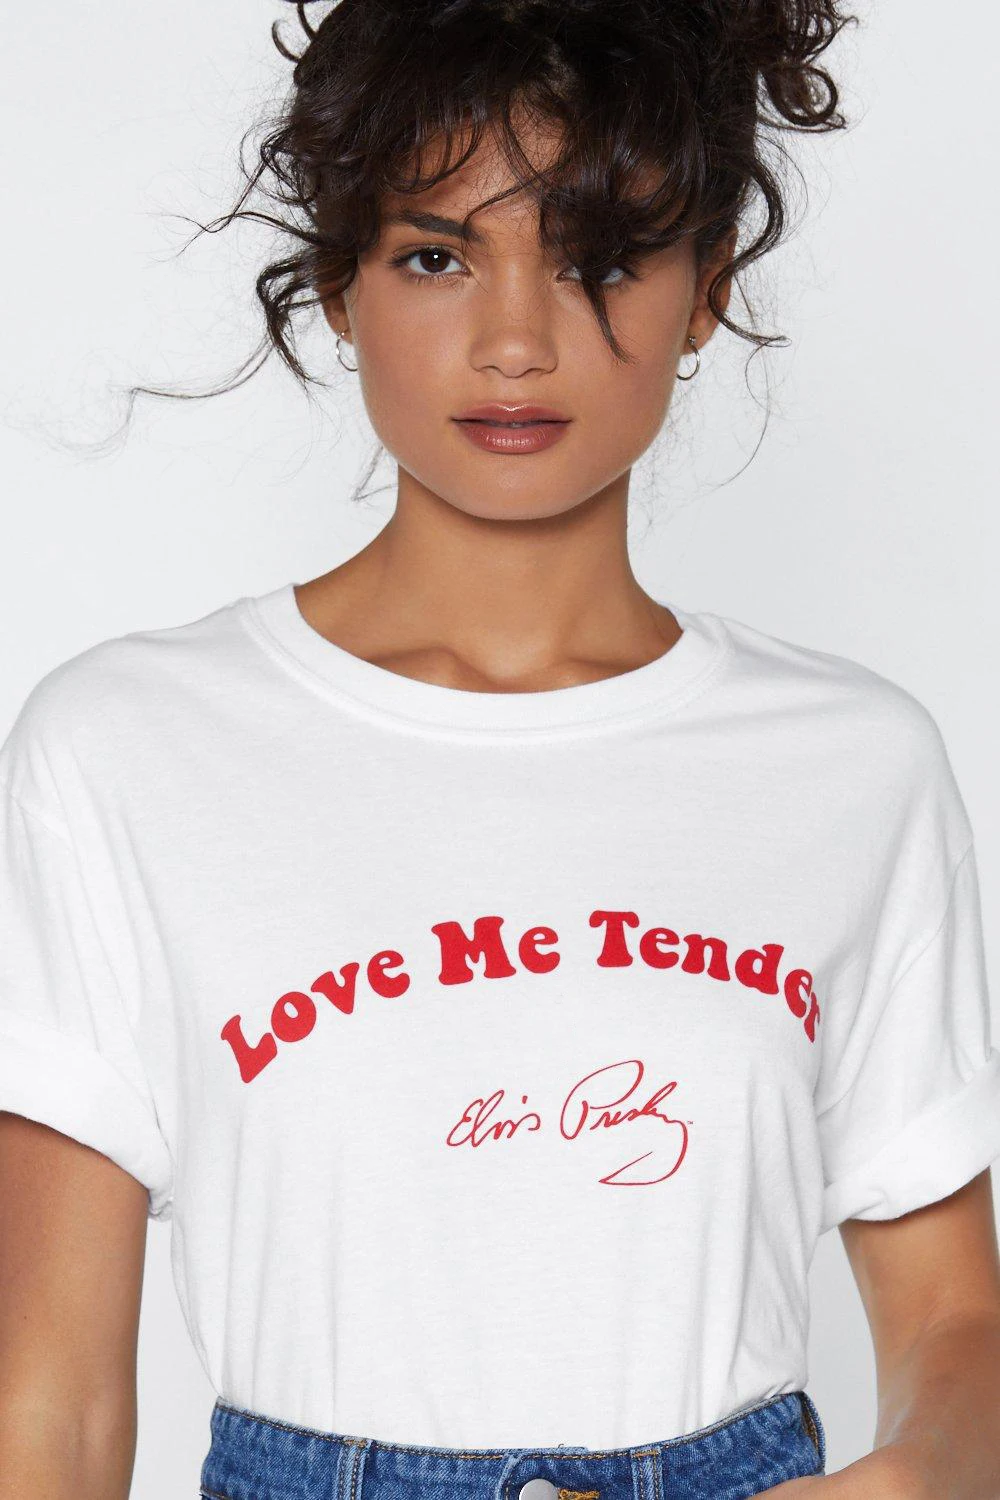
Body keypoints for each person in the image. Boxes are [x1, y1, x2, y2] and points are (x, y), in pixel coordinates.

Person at [2, 0, 999, 1497]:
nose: (517, 342)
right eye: (435, 257)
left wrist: (922, 1473)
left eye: (602, 259)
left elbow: (954, 1324)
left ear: (707, 288)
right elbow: (54, 1409)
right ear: (338, 288)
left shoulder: (857, 766)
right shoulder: (127, 748)